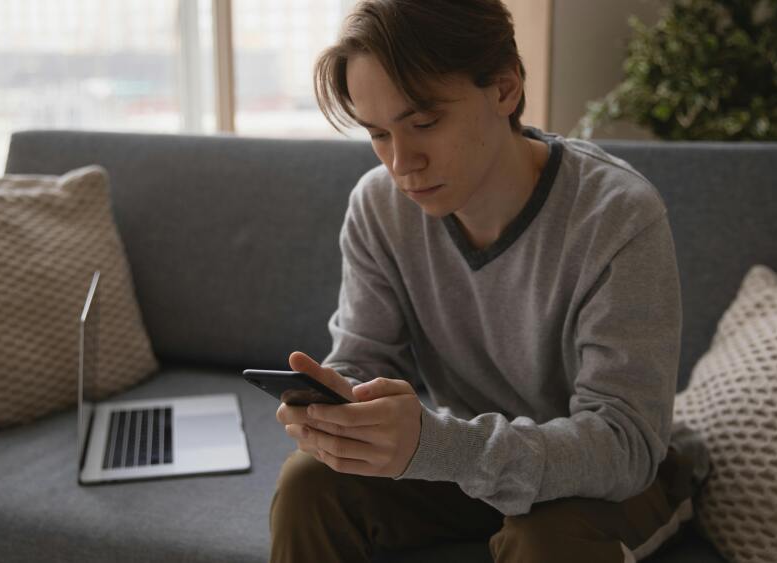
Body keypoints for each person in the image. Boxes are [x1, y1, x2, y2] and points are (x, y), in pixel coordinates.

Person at [271, 1, 696, 561]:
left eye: (424, 123)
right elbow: (363, 359)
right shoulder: (379, 207)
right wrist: (337, 414)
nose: (401, 164)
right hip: (477, 464)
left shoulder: (616, 216)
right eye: (378, 134)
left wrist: (440, 446)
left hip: (614, 480)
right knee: (311, 483)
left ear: (505, 89)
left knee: (543, 540)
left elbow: (624, 444)